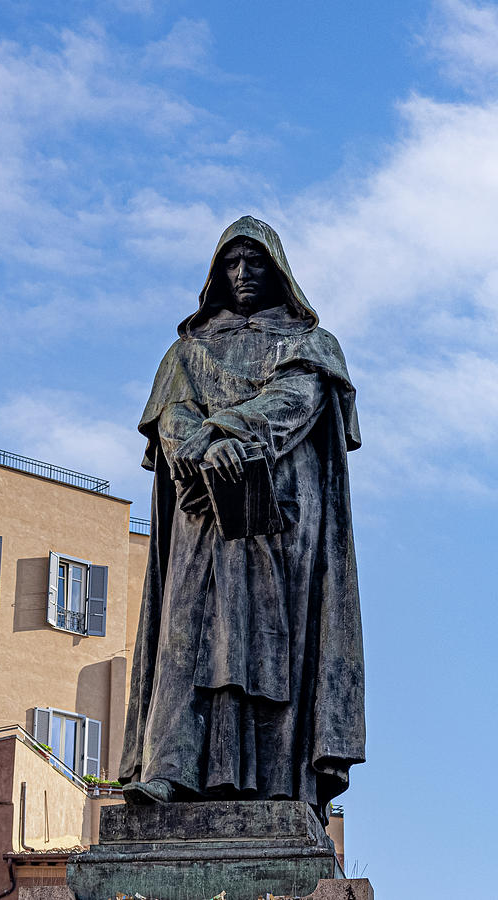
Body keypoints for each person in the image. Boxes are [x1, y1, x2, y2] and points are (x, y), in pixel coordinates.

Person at [119, 216, 365, 822]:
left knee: (274, 643)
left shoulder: (310, 345)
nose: (242, 274)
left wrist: (228, 433)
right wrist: (203, 450)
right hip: (202, 514)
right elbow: (171, 419)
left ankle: (278, 781)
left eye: (254, 262)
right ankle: (170, 769)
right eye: (231, 264)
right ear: (215, 275)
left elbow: (296, 402)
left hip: (277, 519)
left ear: (277, 271)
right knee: (185, 634)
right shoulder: (186, 352)